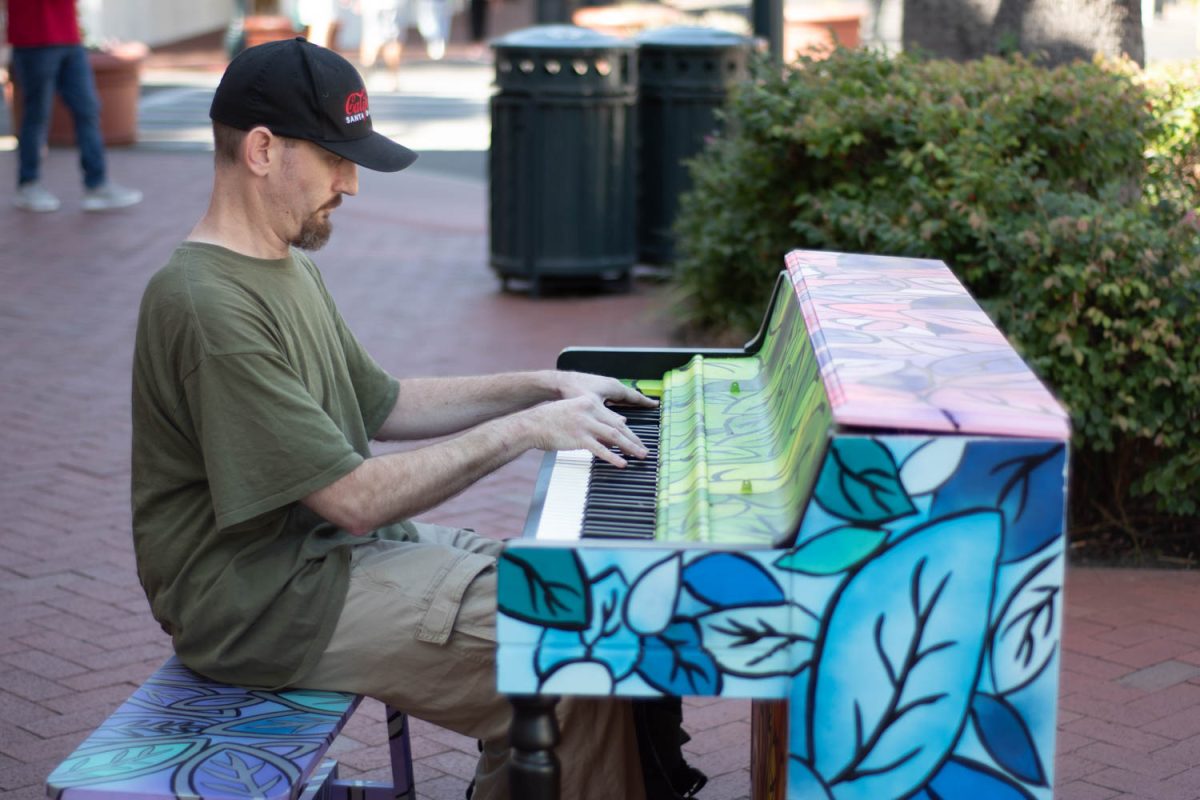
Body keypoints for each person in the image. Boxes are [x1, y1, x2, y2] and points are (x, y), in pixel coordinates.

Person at [130, 37, 653, 800]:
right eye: (336, 157)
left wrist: (544, 387)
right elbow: (352, 499)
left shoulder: (284, 265)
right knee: (573, 652)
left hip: (323, 563)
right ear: (263, 150)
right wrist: (523, 433)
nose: (351, 182)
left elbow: (384, 403)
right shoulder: (206, 304)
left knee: (580, 596)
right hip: (261, 603)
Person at [5, 0, 142, 213]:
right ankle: (28, 185)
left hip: (69, 39)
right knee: (37, 115)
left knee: (88, 109)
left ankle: (96, 185)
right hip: (33, 40)